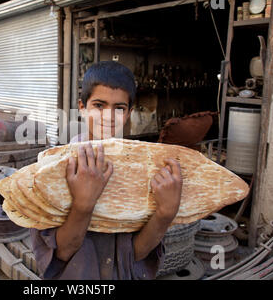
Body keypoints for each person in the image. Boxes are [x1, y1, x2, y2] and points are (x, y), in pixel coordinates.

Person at [30, 61, 183, 280]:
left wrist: (164, 215)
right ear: (82, 108)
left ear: (129, 113)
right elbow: (62, 253)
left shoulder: (143, 169)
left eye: (119, 108)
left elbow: (135, 253)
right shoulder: (55, 168)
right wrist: (83, 205)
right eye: (99, 105)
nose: (109, 116)